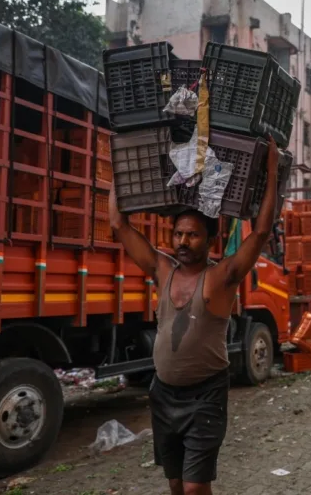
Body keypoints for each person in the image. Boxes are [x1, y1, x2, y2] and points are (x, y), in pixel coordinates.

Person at [110, 141, 280, 495]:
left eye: (193, 235)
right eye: (178, 234)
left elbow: (261, 232)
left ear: (210, 240)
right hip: (163, 394)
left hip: (206, 396)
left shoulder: (221, 277)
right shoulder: (162, 269)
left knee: (193, 487)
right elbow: (119, 225)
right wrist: (118, 169)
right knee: (175, 483)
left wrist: (273, 171)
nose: (183, 241)